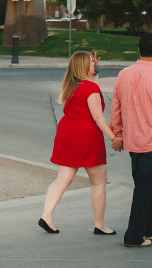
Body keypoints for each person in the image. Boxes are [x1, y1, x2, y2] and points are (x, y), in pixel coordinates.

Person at [39, 50, 122, 235]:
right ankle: (99, 225)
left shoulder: (71, 85)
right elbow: (98, 118)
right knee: (99, 182)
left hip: (67, 133)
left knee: (62, 179)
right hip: (87, 136)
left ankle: (46, 215)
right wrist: (114, 138)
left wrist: (95, 71)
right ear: (84, 66)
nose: (95, 65)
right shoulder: (91, 89)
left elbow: (91, 87)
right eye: (92, 63)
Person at [110, 32, 152, 248]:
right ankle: (134, 236)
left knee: (143, 185)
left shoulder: (123, 75)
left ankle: (151, 227)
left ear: (138, 50)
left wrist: (118, 133)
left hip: (133, 142)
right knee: (144, 188)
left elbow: (116, 107)